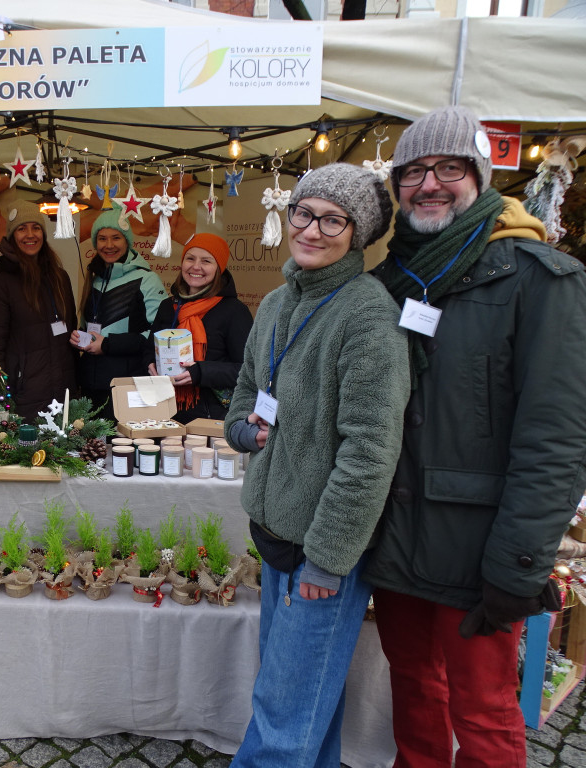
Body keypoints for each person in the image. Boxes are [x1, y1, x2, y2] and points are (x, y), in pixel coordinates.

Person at [363, 106, 586, 768]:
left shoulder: (540, 279)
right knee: (413, 687)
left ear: (480, 177)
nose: (429, 184)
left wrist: (519, 563)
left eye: (449, 168)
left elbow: (557, 438)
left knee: (484, 709)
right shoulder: (389, 281)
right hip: (395, 535)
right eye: (413, 172)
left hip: (479, 547)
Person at [224, 163, 409, 768]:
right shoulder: (277, 303)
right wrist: (243, 430)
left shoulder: (368, 316)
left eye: (334, 220)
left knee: (283, 718)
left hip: (321, 551)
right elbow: (246, 389)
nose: (311, 229)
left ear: (358, 235)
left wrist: (328, 560)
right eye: (304, 212)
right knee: (305, 707)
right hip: (275, 535)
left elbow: (370, 452)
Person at [0, 200, 77, 418]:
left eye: (36, 228)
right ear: (12, 235)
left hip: (63, 392)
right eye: (22, 229)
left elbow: (70, 330)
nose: (30, 235)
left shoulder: (59, 277)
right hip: (23, 395)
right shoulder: (1, 283)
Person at [68, 210, 167, 421]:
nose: (109, 245)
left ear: (127, 241)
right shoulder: (94, 277)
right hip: (90, 386)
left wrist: (107, 345)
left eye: (116, 238)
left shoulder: (147, 279)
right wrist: (81, 337)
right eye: (102, 238)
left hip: (127, 385)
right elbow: (91, 326)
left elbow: (159, 333)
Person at [146, 233, 253, 423]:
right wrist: (150, 365)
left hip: (210, 417)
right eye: (190, 258)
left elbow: (247, 369)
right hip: (164, 411)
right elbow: (148, 351)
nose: (196, 267)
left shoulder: (234, 311)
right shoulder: (168, 306)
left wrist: (200, 372)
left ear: (219, 268)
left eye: (206, 261)